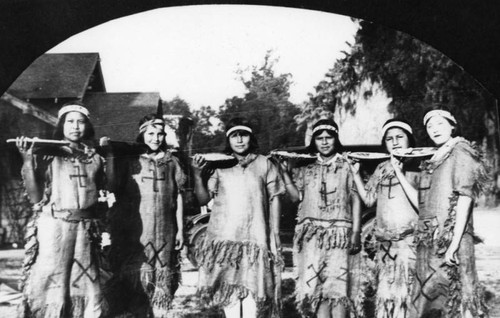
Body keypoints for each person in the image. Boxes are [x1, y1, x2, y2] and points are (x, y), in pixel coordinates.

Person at [16, 102, 109, 317]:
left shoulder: (95, 158)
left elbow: (101, 194)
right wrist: (28, 159)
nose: (75, 126)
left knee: (88, 286)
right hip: (55, 230)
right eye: (70, 121)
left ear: (87, 126)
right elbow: (36, 197)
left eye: (81, 122)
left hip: (85, 231)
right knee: (52, 287)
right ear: (61, 125)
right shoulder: (48, 154)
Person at [399, 109, 489, 318]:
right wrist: (398, 172)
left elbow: (465, 198)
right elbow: (423, 205)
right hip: (433, 241)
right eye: (429, 126)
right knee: (434, 299)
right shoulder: (436, 158)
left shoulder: (461, 150)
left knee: (457, 296)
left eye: (439, 124)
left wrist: (455, 243)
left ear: (452, 125)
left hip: (452, 240)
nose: (434, 129)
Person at [191, 117, 284, 318]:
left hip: (254, 238)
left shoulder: (264, 163)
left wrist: (274, 232)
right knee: (230, 296)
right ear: (228, 139)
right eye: (234, 135)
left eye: (244, 135)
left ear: (251, 138)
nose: (240, 140)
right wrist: (198, 175)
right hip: (225, 240)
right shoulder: (219, 164)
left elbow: (275, 197)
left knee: (252, 295)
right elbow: (203, 198)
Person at [280, 118, 362, 318]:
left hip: (339, 236)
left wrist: (357, 232)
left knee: (338, 287)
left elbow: (355, 198)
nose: (324, 142)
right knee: (317, 286)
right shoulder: (306, 168)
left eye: (329, 137)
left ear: (336, 139)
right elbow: (295, 197)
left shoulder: (348, 165)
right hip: (312, 237)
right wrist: (285, 173)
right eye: (319, 138)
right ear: (314, 141)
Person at [106, 114, 185, 317]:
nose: (156, 138)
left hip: (166, 233)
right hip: (137, 233)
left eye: (160, 134)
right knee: (137, 283)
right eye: (151, 133)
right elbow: (114, 188)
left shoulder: (172, 162)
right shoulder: (132, 161)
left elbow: (178, 198)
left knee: (163, 287)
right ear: (142, 135)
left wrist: (180, 231)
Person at [348, 119, 419, 318]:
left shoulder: (418, 165)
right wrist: (355, 175)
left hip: (409, 244)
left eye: (399, 137)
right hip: (386, 246)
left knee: (407, 294)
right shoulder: (381, 168)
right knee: (387, 295)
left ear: (410, 140)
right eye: (389, 139)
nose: (395, 142)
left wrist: (399, 170)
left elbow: (422, 204)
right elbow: (369, 200)